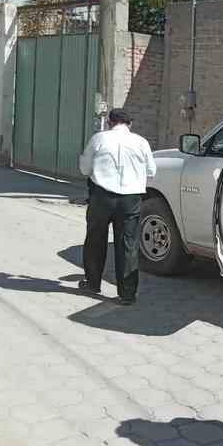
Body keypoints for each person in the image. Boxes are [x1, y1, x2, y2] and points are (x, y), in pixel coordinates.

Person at [78, 108, 156, 305]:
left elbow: (84, 168)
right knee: (128, 245)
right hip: (131, 200)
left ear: (109, 122)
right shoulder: (141, 142)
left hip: (101, 197)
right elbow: (151, 171)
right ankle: (127, 293)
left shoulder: (99, 139)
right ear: (130, 124)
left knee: (95, 240)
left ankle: (93, 283)